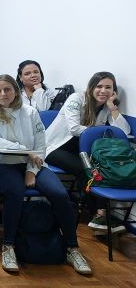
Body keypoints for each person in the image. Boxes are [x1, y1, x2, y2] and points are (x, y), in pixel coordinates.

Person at [0, 74, 91, 275]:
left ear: (15, 90)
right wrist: (24, 151)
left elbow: (40, 144)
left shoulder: (29, 112)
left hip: (33, 164)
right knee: (15, 192)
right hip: (4, 165)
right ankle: (8, 245)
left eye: (7, 89)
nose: (3, 94)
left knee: (60, 194)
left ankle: (72, 248)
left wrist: (31, 171)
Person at [45, 71, 130, 232]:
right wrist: (99, 131)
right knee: (88, 171)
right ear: (91, 87)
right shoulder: (76, 99)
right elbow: (74, 129)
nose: (103, 91)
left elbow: (123, 132)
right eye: (99, 86)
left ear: (113, 91)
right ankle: (99, 214)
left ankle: (100, 214)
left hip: (80, 151)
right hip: (55, 147)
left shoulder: (106, 107)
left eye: (108, 87)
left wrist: (112, 107)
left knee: (97, 171)